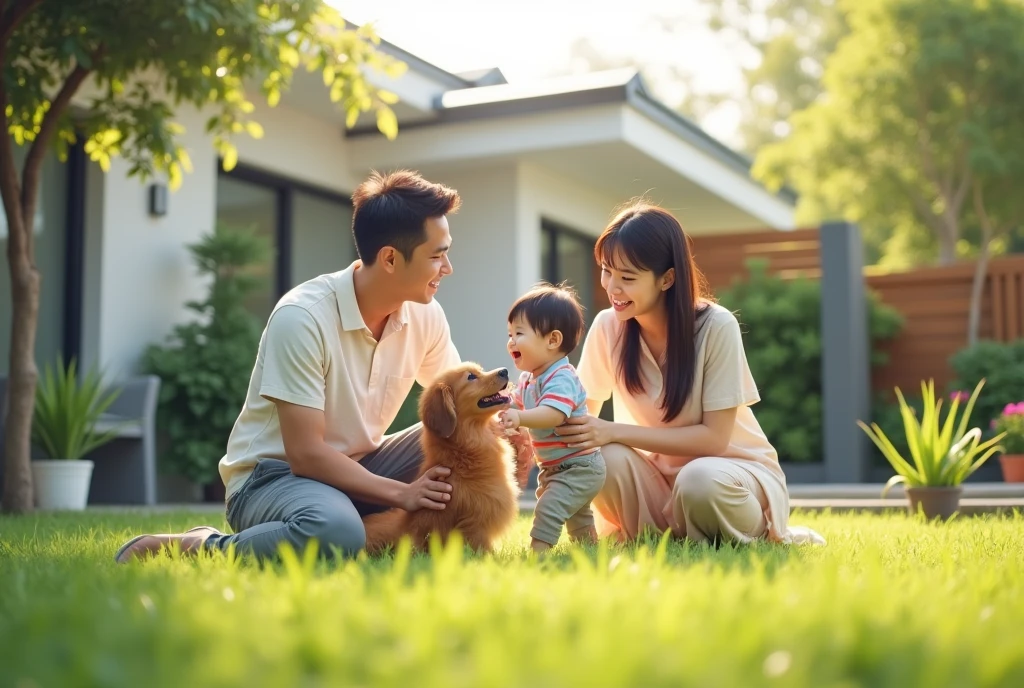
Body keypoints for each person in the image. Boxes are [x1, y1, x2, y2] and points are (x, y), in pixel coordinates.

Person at [116, 170, 481, 562]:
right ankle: (197, 545)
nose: (448, 268)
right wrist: (401, 494)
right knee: (336, 531)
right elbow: (305, 454)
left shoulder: (425, 315)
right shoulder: (303, 317)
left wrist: (509, 425)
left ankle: (392, 529)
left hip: (361, 467)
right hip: (274, 478)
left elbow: (461, 404)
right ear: (390, 258)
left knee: (470, 432)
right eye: (437, 255)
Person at [558, 202, 825, 546]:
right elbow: (580, 417)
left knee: (697, 480)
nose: (612, 287)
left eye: (627, 278)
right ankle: (658, 537)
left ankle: (766, 533)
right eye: (606, 270)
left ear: (667, 278)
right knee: (598, 459)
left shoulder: (716, 326)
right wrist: (530, 420)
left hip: (727, 477)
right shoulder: (608, 326)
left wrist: (612, 431)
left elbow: (713, 440)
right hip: (656, 482)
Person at [499, 284, 606, 553]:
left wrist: (519, 417)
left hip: (580, 467)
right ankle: (590, 552)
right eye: (509, 334)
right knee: (578, 518)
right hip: (557, 467)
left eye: (519, 333)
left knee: (549, 507)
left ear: (553, 340)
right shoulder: (528, 379)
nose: (511, 341)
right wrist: (501, 405)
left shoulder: (562, 377)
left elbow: (553, 414)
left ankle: (538, 554)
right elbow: (516, 403)